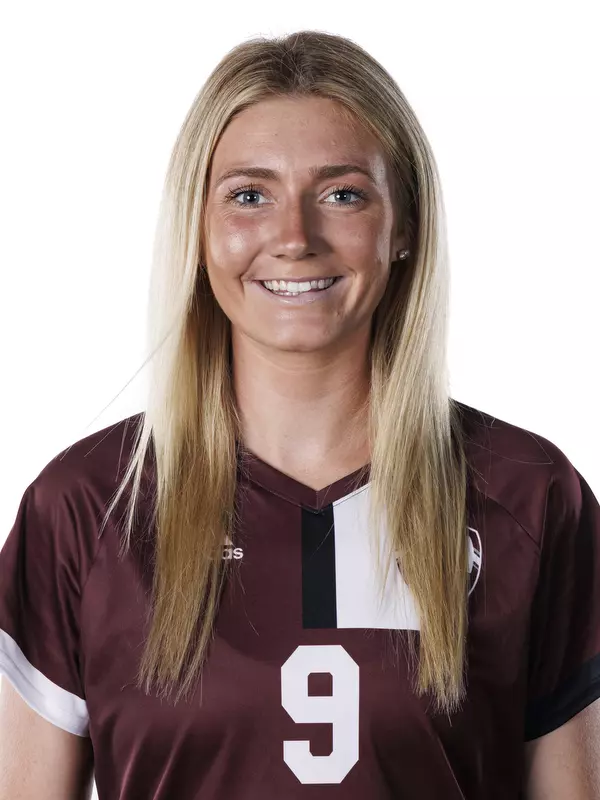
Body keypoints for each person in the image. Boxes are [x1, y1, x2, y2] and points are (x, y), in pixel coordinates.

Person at [0, 29, 599, 800]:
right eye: (250, 195)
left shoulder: (527, 496)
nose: (293, 239)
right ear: (200, 225)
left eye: (342, 194)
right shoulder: (88, 504)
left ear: (405, 225)